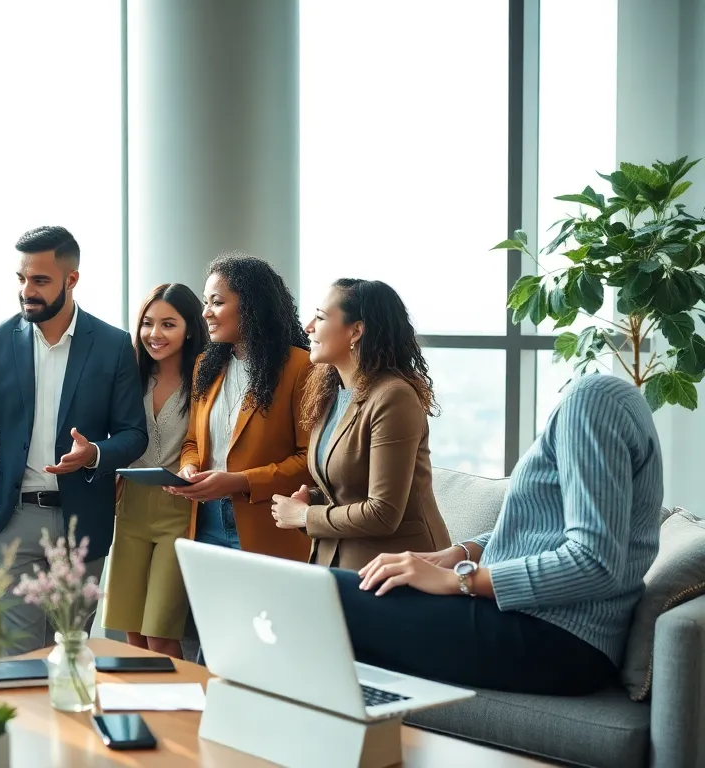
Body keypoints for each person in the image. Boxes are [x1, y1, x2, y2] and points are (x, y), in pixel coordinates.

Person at [347, 373, 662, 695]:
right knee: (347, 601)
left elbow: (594, 563)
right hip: (553, 631)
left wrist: (458, 580)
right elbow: (542, 524)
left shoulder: (592, 401)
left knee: (331, 597)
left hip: (555, 638)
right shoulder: (608, 399)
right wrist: (461, 553)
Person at [0, 225, 148, 655]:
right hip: (12, 519)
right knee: (18, 655)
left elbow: (133, 434)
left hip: (82, 522)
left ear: (71, 279)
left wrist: (94, 454)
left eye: (40, 280)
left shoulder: (113, 345)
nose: (27, 290)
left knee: (70, 652)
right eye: (22, 278)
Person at [269, 279, 450, 571]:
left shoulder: (394, 396)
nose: (308, 326)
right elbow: (348, 488)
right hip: (342, 564)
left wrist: (305, 516)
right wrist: (311, 498)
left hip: (400, 572)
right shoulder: (332, 395)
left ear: (356, 330)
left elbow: (383, 513)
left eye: (321, 317)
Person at [167, 253, 313, 561]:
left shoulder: (301, 367)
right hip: (204, 521)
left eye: (217, 302)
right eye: (205, 302)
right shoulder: (206, 365)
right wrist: (189, 467)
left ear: (251, 306)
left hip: (267, 524)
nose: (205, 313)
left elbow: (308, 460)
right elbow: (193, 441)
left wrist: (240, 481)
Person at [101, 284, 208, 659]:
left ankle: (181, 711)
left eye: (168, 324)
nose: (154, 334)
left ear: (190, 328)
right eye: (147, 323)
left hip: (180, 506)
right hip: (129, 504)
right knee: (132, 628)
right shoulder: (130, 375)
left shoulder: (207, 379)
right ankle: (144, 708)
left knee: (161, 632)